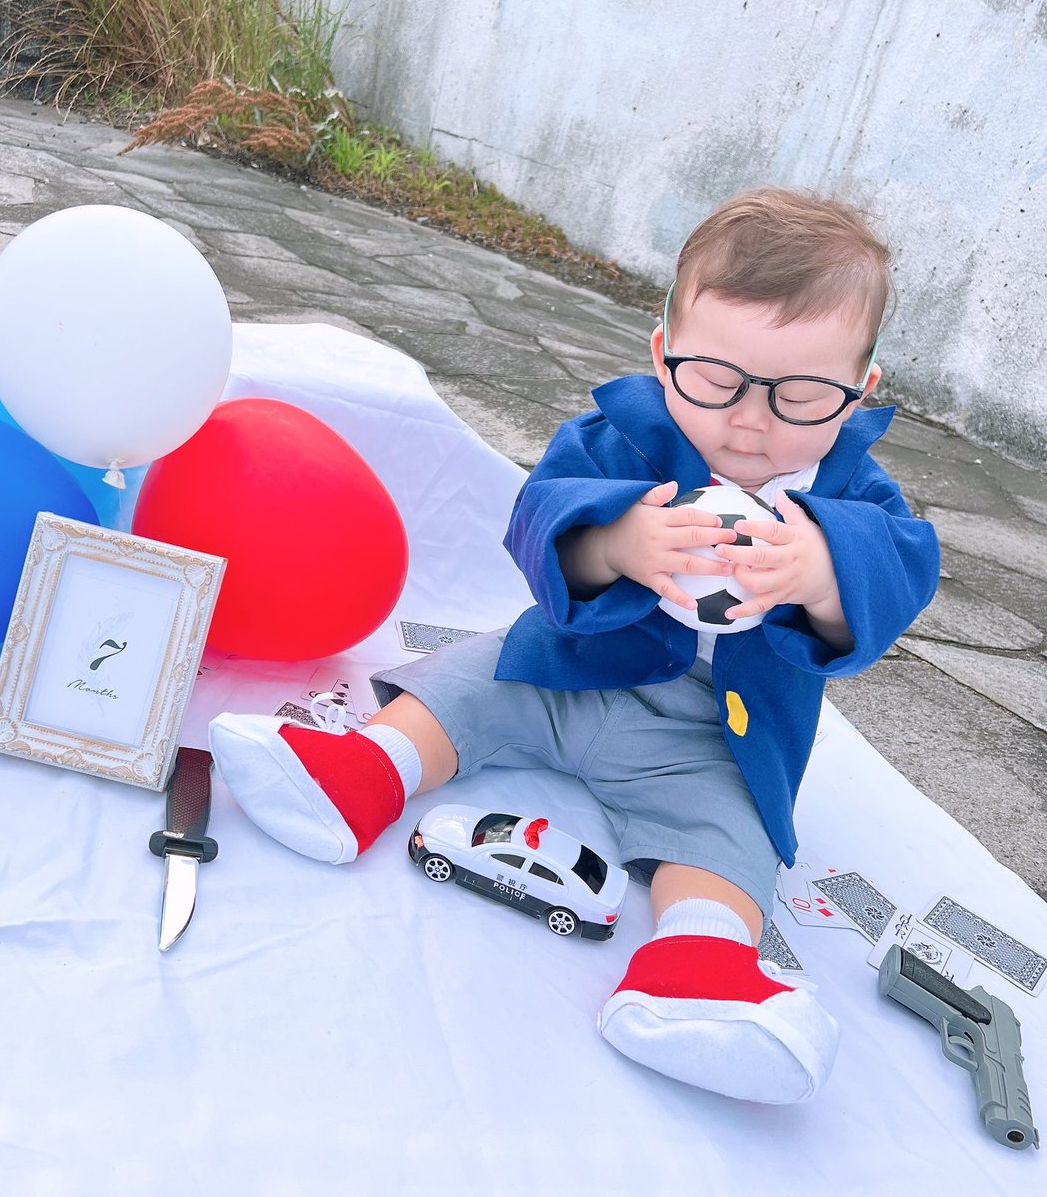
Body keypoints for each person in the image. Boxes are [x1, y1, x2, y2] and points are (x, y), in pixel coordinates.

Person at [209, 187, 940, 1104]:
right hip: (572, 668)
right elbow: (538, 516)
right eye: (716, 380)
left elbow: (901, 572)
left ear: (859, 390)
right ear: (663, 353)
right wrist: (614, 544)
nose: (750, 422)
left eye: (799, 396)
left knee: (729, 834)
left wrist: (823, 573)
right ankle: (360, 774)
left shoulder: (854, 495)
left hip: (709, 735)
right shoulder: (629, 435)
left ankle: (702, 970)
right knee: (473, 678)